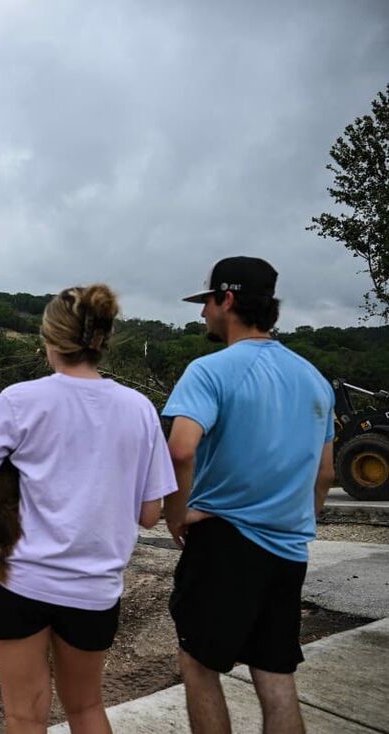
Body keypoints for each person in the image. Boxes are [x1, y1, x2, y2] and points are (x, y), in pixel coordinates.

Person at [0, 284, 176, 734]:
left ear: (50, 340)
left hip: (19, 579)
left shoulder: (20, 400)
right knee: (87, 709)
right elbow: (150, 514)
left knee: (24, 716)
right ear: (102, 341)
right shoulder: (140, 409)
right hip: (94, 587)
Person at [162, 257, 335, 734]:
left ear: (227, 300)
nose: (202, 315)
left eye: (206, 303)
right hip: (288, 550)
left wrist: (176, 515)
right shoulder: (313, 378)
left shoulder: (208, 371)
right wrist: (301, 521)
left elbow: (180, 451)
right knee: (276, 675)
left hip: (225, 543)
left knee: (198, 665)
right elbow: (325, 472)